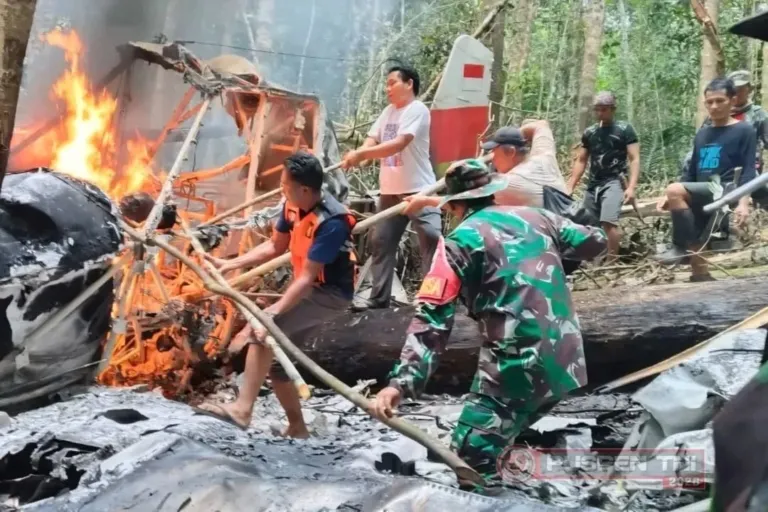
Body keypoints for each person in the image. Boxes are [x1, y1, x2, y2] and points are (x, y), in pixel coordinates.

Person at [370, 159, 607, 485]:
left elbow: (432, 322)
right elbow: (595, 241)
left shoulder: (457, 244)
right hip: (567, 358)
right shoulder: (538, 218)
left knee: (468, 456)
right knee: (501, 428)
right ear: (493, 191)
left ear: (454, 206)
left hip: (517, 365)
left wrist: (400, 383)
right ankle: (501, 452)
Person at [197, 151, 356, 437]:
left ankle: (242, 410)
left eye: (285, 186)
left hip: (330, 294)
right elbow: (274, 247)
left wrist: (273, 311)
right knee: (278, 363)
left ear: (305, 189)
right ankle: (297, 428)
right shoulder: (291, 205)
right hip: (308, 288)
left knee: (263, 333)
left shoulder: (332, 222)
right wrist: (228, 263)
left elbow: (307, 278)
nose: (281, 191)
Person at [341, 63, 442, 312]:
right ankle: (378, 298)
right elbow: (373, 138)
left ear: (409, 84)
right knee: (382, 241)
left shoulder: (417, 109)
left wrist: (361, 154)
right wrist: (360, 155)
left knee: (431, 239)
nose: (387, 88)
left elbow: (398, 144)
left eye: (392, 83)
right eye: (386, 84)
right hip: (389, 192)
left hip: (420, 190)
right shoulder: (388, 111)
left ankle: (434, 301)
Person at [654, 77, 756, 281]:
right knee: (696, 239)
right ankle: (701, 277)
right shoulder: (702, 134)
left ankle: (678, 246)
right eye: (709, 102)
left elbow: (748, 170)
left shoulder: (744, 130)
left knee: (675, 190)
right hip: (702, 188)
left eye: (720, 101)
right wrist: (674, 196)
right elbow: (691, 171)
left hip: (726, 189)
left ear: (732, 100)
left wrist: (743, 203)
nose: (714, 106)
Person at [402, 118, 568, 213]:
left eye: (494, 152)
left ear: (510, 152)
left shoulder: (509, 183)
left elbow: (461, 203)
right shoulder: (544, 156)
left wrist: (423, 200)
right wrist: (515, 134)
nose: (492, 158)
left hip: (550, 243)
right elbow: (541, 125)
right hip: (565, 226)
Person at [566, 92, 640, 260]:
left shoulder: (624, 129)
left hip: (615, 181)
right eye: (597, 110)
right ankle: (594, 260)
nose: (600, 113)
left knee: (608, 222)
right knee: (589, 224)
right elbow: (582, 160)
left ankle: (611, 263)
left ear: (613, 110)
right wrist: (571, 185)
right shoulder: (590, 132)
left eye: (604, 110)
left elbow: (634, 159)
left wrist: (631, 187)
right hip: (593, 184)